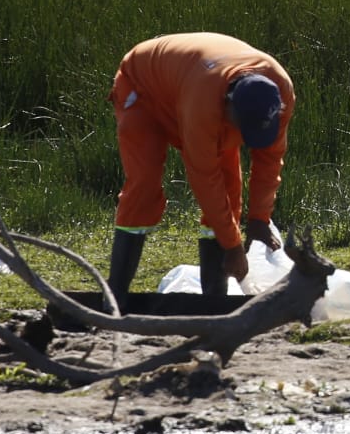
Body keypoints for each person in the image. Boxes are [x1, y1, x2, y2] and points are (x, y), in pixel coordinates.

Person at [105, 32, 296, 301]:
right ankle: (115, 295)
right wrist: (232, 245)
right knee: (143, 187)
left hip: (187, 83)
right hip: (143, 88)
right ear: (228, 107)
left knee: (229, 192)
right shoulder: (205, 103)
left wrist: (259, 219)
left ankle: (214, 300)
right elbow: (205, 177)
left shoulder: (280, 92)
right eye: (244, 128)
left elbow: (270, 159)